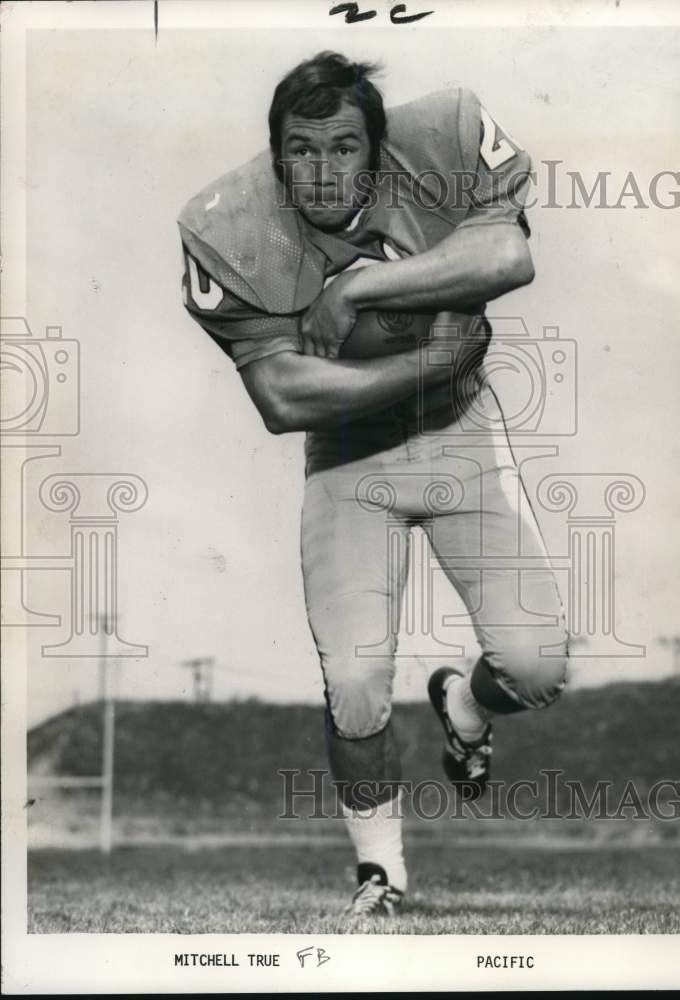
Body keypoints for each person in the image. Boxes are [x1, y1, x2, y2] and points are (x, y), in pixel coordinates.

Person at [179, 51, 568, 923]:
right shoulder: (227, 224)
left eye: (343, 147)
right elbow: (282, 398)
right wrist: (426, 361)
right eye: (300, 150)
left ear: (379, 147)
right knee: (354, 679)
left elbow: (507, 254)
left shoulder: (445, 134)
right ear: (275, 154)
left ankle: (463, 707)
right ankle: (379, 873)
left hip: (460, 433)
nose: (321, 172)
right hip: (347, 457)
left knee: (538, 666)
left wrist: (362, 287)